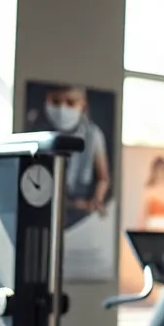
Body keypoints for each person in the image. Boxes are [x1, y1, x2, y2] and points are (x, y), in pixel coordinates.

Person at [42, 85, 111, 225]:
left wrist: (95, 201)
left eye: (70, 102)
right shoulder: (40, 133)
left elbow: (103, 178)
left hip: (81, 214)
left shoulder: (93, 134)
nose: (62, 109)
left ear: (82, 104)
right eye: (56, 102)